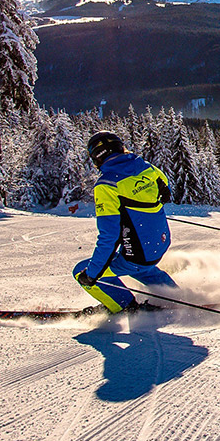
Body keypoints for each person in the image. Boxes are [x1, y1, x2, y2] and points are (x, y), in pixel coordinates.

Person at [73, 130, 178, 313]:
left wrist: (92, 275)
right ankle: (175, 295)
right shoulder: (146, 167)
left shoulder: (107, 185)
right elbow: (165, 190)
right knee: (142, 266)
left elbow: (109, 237)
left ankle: (124, 307)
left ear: (97, 158)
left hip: (138, 254)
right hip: (160, 244)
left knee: (82, 271)